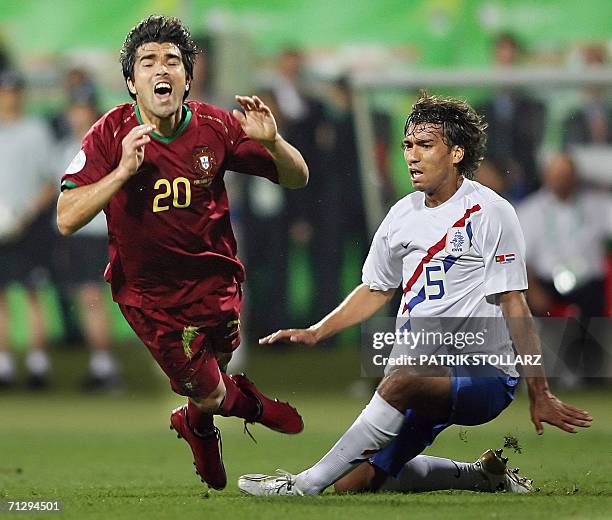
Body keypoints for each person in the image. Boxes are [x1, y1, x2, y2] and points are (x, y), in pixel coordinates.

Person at [238, 93, 592, 497]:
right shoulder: (402, 214)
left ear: (457, 152)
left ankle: (302, 485)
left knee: (401, 381)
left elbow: (514, 302)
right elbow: (377, 289)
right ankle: (482, 475)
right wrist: (318, 331)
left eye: (426, 145)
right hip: (421, 370)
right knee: (356, 485)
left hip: (483, 373)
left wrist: (540, 389)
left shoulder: (491, 212)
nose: (412, 155)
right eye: (408, 145)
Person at [55, 15, 308, 490]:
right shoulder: (110, 135)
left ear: (188, 78)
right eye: (148, 62)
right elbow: (67, 217)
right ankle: (252, 406)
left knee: (211, 381)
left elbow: (297, 178)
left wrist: (273, 141)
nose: (161, 70)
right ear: (132, 81)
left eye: (172, 61)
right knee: (213, 389)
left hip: (218, 281)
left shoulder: (215, 125)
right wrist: (120, 174)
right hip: (151, 295)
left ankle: (195, 426)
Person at [517, 153, 612, 386]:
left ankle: (594, 382)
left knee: (594, 334)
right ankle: (548, 380)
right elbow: (520, 258)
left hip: (589, 284)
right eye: (557, 175)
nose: (562, 180)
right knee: (543, 328)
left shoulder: (597, 205)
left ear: (575, 177)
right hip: (546, 284)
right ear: (546, 177)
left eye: (567, 175)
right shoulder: (530, 211)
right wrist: (533, 290)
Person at [53, 83, 123, 392]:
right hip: (80, 234)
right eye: (75, 108)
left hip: (101, 231)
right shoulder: (67, 146)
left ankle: (106, 366)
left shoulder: (105, 144)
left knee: (94, 298)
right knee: (88, 299)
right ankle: (102, 365)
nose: (79, 114)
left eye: (84, 107)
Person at [0, 69, 56, 389]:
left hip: (30, 225)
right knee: (2, 296)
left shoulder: (35, 130)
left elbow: (50, 181)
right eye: (6, 91)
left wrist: (26, 214)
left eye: (14, 91)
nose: (10, 96)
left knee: (34, 293)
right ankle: (4, 364)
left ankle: (38, 364)